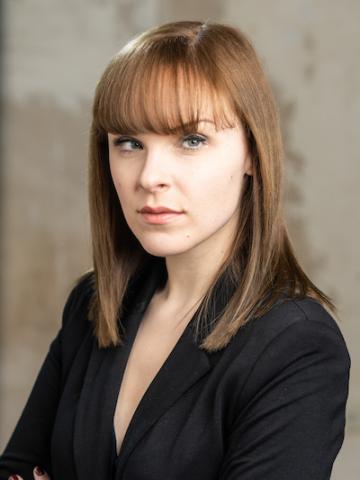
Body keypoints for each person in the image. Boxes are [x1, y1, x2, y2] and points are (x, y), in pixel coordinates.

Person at [0, 20, 350, 480]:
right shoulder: (92, 305)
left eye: (191, 140)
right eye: (129, 142)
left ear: (252, 152)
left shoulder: (297, 345)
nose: (149, 176)